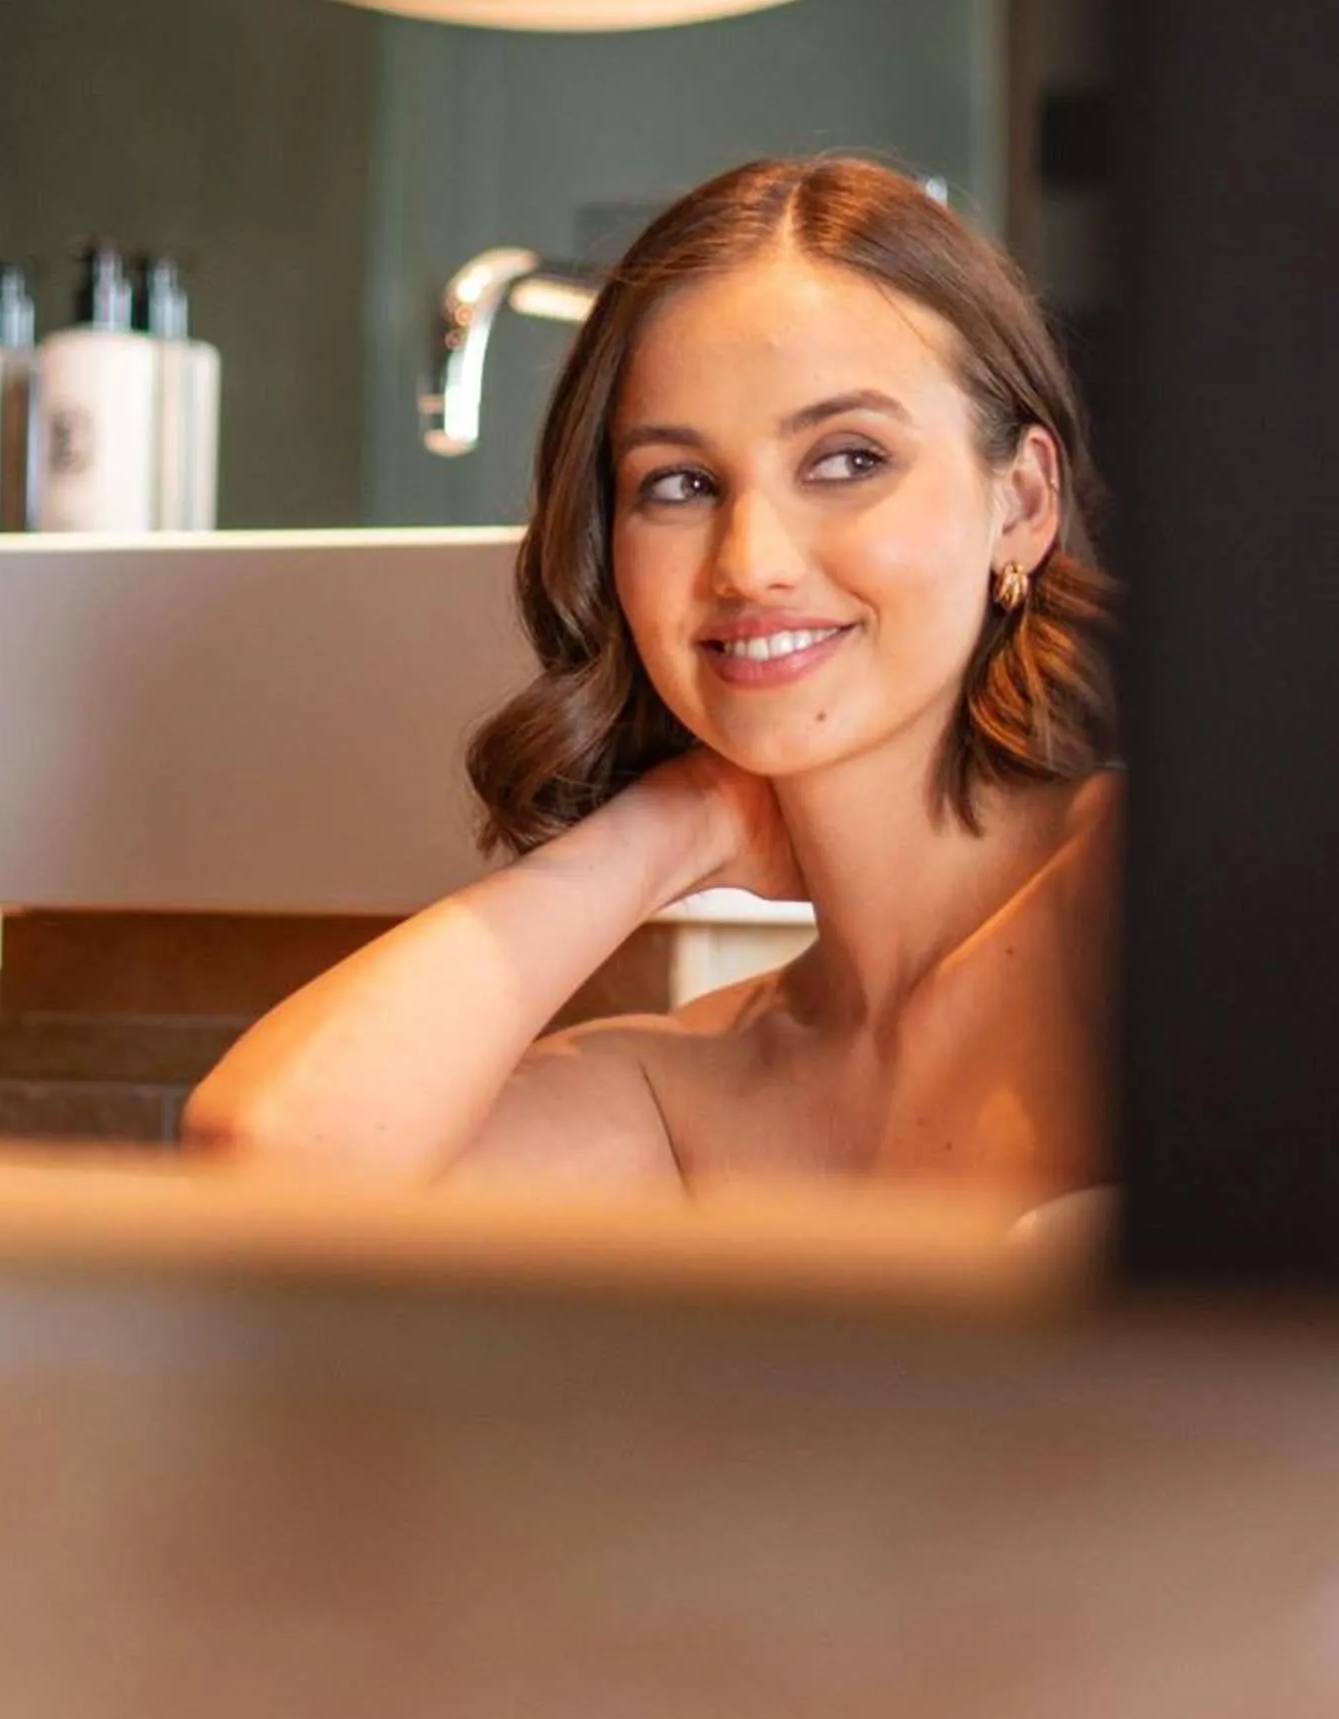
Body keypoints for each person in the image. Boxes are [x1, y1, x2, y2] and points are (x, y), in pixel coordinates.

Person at [181, 156, 1118, 1207]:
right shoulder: (687, 1095)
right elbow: (268, 1165)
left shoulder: (1142, 896)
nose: (750, 561)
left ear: (1024, 501)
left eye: (850, 459)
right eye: (678, 484)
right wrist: (667, 831)